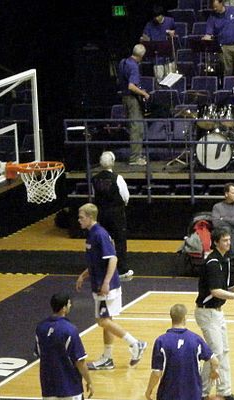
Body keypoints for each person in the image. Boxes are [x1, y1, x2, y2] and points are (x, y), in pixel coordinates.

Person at [75, 203, 147, 370]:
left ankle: (135, 343)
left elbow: (113, 259)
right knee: (107, 320)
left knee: (102, 320)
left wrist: (106, 282)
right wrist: (83, 275)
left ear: (90, 217)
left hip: (105, 285)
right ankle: (107, 358)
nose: (79, 220)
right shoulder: (91, 234)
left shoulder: (99, 234)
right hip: (99, 283)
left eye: (81, 217)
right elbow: (96, 261)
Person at [195, 227, 234, 400]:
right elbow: (215, 291)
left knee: (224, 351)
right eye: (224, 240)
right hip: (206, 313)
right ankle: (201, 391)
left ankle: (224, 391)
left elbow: (232, 283)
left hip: (218, 313)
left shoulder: (226, 260)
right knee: (215, 353)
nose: (228, 243)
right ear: (216, 242)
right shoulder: (212, 262)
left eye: (229, 240)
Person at [92, 151, 132, 281]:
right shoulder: (117, 178)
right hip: (116, 213)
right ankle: (122, 269)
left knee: (104, 240)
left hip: (101, 213)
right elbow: (125, 197)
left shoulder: (95, 179)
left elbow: (95, 195)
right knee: (120, 240)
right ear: (113, 162)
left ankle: (103, 267)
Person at [117, 44, 152, 166]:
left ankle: (136, 155)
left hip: (125, 99)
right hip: (132, 100)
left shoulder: (123, 62)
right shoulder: (134, 67)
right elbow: (131, 86)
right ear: (141, 56)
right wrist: (144, 94)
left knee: (134, 127)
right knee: (137, 129)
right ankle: (135, 159)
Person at [203, 0, 234, 77]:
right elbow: (209, 33)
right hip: (223, 47)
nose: (214, 9)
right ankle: (228, 87)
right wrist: (205, 39)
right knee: (227, 71)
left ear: (221, 3)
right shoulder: (212, 17)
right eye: (213, 7)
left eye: (216, 6)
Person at [140, 5, 177, 81]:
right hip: (157, 59)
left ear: (162, 15)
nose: (156, 18)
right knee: (159, 80)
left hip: (169, 57)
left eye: (158, 16)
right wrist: (144, 39)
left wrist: (173, 33)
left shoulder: (170, 21)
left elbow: (177, 32)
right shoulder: (149, 25)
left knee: (171, 80)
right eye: (155, 17)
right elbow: (144, 37)